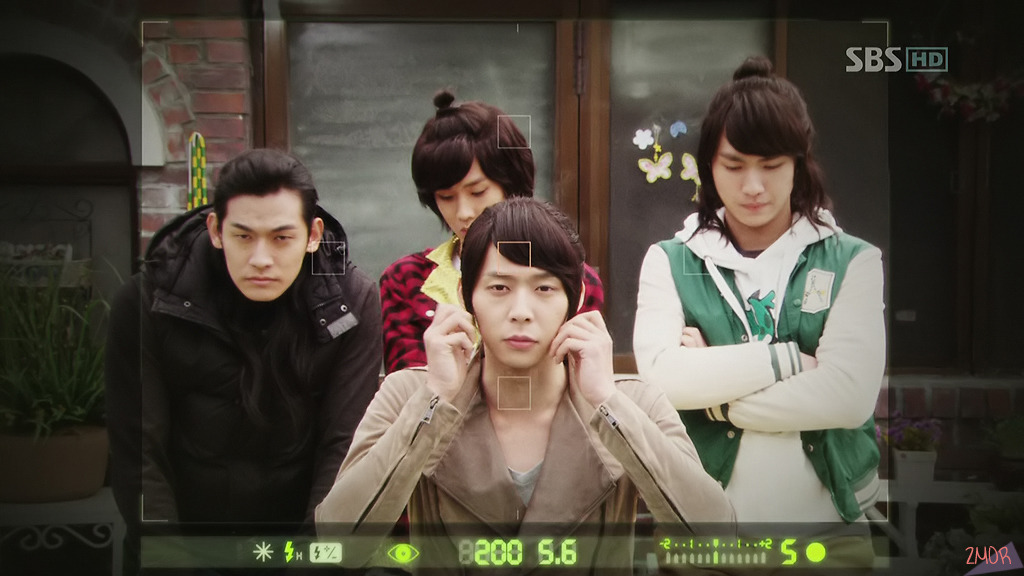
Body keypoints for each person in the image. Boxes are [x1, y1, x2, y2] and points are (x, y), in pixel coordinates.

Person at [317, 197, 734, 572]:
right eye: (499, 287)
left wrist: (607, 402)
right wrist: (434, 402)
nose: (521, 311)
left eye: (544, 288)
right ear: (466, 296)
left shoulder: (633, 400)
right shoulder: (409, 394)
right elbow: (342, 542)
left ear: (576, 297)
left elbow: (715, 535)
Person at [633, 56, 884, 568]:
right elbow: (660, 381)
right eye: (734, 165)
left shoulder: (853, 260)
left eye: (771, 166)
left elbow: (850, 397)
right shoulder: (670, 260)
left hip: (828, 539)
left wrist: (715, 399)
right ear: (709, 165)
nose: (753, 186)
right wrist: (791, 361)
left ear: (798, 164)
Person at [106, 149, 382, 568]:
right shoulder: (148, 301)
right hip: (181, 542)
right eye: (243, 236)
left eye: (281, 237)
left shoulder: (351, 303)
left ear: (313, 235)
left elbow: (343, 447)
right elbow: (139, 453)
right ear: (216, 230)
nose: (261, 259)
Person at [380, 90, 604, 374]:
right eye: (446, 197)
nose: (463, 212)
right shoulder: (405, 279)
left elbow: (577, 376)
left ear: (511, 184)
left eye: (477, 192)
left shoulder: (571, 276)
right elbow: (406, 387)